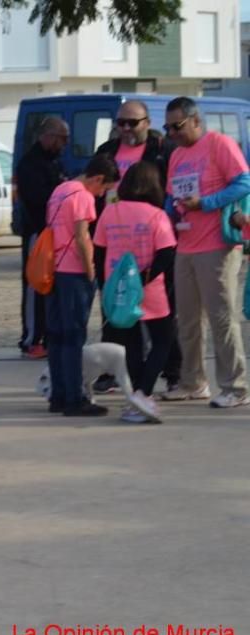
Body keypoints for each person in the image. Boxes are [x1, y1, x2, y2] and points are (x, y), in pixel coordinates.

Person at [162, 96, 250, 408]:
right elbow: (172, 195)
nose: (172, 132)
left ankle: (236, 387)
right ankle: (193, 381)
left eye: (178, 126)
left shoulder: (219, 144)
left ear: (196, 121)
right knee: (186, 319)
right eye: (168, 127)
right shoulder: (176, 155)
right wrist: (168, 216)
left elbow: (244, 182)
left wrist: (207, 203)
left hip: (217, 245)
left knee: (222, 318)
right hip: (185, 244)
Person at [94, 100, 179, 394]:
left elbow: (167, 251)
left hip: (149, 245)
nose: (126, 129)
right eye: (121, 123)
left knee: (161, 326)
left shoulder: (161, 149)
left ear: (147, 122)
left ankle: (168, 373)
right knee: (124, 327)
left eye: (132, 122)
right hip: (124, 252)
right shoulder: (107, 150)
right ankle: (133, 385)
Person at [93, 161, 177, 423]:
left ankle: (136, 397)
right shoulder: (157, 215)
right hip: (148, 288)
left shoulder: (110, 212)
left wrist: (105, 284)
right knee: (163, 340)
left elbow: (99, 251)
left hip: (118, 290)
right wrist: (144, 278)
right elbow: (166, 253)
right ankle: (143, 393)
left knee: (131, 345)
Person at [45, 154, 119, 417]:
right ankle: (75, 398)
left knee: (56, 335)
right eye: (104, 188)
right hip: (73, 272)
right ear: (97, 179)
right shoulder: (83, 196)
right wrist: (91, 271)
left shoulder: (60, 190)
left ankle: (59, 395)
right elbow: (81, 236)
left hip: (53, 269)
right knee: (75, 336)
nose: (101, 194)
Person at [15, 117, 69, 358]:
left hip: (56, 232)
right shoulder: (29, 164)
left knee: (52, 286)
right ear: (48, 137)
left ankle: (48, 335)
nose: (65, 144)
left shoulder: (56, 162)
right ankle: (32, 338)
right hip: (38, 231)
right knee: (36, 284)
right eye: (62, 139)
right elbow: (38, 199)